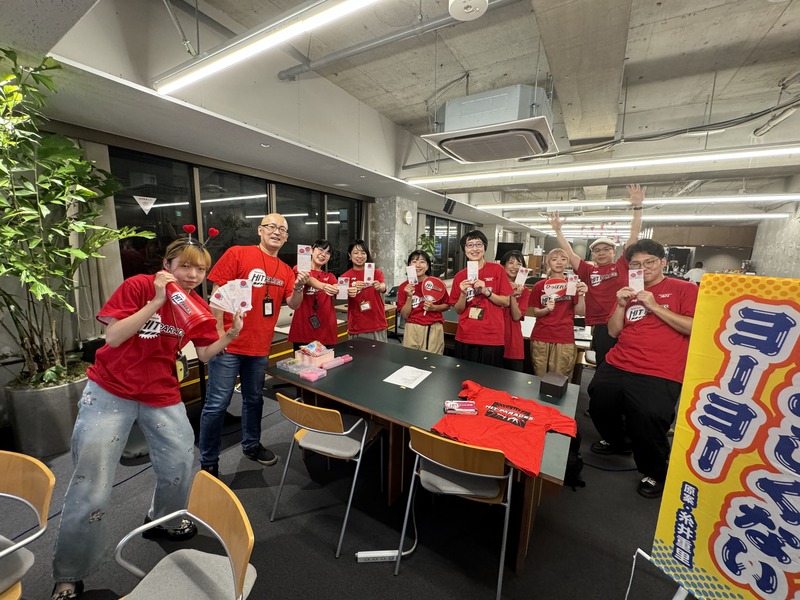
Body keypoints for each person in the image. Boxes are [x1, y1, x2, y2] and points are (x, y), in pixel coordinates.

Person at [50, 238, 243, 600]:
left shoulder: (195, 304)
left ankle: (163, 519)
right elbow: (113, 336)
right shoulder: (139, 286)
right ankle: (69, 573)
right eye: (185, 266)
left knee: (181, 462)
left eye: (201, 269)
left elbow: (204, 354)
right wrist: (156, 301)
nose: (193, 275)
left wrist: (229, 335)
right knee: (92, 482)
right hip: (110, 390)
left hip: (160, 392)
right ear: (167, 265)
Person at [587, 239, 698, 499]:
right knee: (599, 400)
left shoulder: (684, 289)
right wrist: (621, 305)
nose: (643, 268)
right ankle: (619, 442)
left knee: (649, 420)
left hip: (660, 369)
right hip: (619, 361)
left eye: (650, 262)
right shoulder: (629, 292)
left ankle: (655, 472)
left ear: (663, 263)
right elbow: (613, 331)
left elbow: (694, 327)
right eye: (636, 264)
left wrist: (655, 306)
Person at [199, 214, 302, 477]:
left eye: (282, 229)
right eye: (271, 227)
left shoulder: (285, 270)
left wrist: (300, 287)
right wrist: (219, 333)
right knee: (217, 405)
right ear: (260, 230)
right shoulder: (238, 253)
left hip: (259, 346)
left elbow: (293, 303)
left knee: (254, 400)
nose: (277, 232)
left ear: (286, 237)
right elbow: (217, 292)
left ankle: (252, 445)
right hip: (229, 344)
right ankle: (208, 461)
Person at [549, 184, 645, 367]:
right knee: (604, 364)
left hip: (625, 321)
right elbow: (570, 253)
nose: (601, 253)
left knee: (628, 364)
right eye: (597, 250)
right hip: (601, 326)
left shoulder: (622, 265)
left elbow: (633, 235)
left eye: (606, 249)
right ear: (592, 255)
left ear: (614, 251)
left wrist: (638, 207)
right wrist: (558, 231)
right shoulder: (588, 271)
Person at [448, 230, 512, 367]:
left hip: (492, 335)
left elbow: (506, 302)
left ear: (484, 247)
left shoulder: (497, 269)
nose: (475, 249)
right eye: (470, 245)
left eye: (478, 244)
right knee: (464, 376)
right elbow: (458, 310)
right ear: (464, 250)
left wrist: (486, 292)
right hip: (466, 335)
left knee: (488, 377)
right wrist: (463, 294)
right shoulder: (460, 276)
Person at [529, 248, 588, 377]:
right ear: (548, 263)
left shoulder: (572, 284)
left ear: (567, 263)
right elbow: (536, 313)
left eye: (563, 259)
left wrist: (581, 295)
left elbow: (581, 312)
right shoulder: (539, 286)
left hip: (564, 337)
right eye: (554, 259)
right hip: (541, 336)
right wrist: (546, 309)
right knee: (539, 376)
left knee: (560, 378)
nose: (559, 262)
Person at [288, 239, 339, 349]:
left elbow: (337, 287)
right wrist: (323, 286)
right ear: (311, 250)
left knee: (328, 360)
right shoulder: (299, 269)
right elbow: (308, 279)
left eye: (328, 253)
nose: (323, 254)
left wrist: (340, 288)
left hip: (326, 331)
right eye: (320, 250)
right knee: (301, 361)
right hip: (303, 330)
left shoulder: (330, 276)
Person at [398, 250, 449, 354]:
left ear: (427, 266)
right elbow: (405, 315)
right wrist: (409, 297)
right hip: (411, 328)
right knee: (410, 360)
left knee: (432, 361)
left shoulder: (436, 283)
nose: (418, 265)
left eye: (422, 262)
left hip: (433, 328)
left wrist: (434, 308)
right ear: (409, 265)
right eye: (414, 261)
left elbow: (447, 305)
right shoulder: (404, 287)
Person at [342, 239, 388, 342]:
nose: (360, 256)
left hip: (377, 322)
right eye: (356, 252)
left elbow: (383, 286)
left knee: (380, 352)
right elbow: (339, 295)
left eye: (363, 253)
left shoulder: (376, 272)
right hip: (357, 325)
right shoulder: (345, 277)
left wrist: (380, 286)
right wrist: (352, 287)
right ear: (349, 255)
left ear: (367, 255)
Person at [499, 250, 532, 371]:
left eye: (519, 263)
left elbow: (517, 316)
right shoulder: (495, 287)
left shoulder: (524, 291)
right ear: (503, 265)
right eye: (511, 262)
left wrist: (513, 296)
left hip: (512, 340)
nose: (515, 267)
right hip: (494, 337)